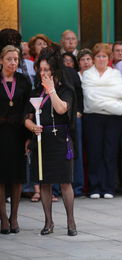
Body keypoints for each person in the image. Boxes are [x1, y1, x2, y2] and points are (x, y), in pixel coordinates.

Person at [24, 46, 78, 236]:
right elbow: (27, 116)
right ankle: (48, 222)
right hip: (42, 140)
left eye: (47, 70)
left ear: (55, 70)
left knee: (65, 182)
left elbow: (62, 109)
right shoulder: (35, 90)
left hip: (61, 140)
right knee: (44, 181)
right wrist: (31, 126)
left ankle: (71, 222)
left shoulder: (65, 89)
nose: (43, 73)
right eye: (41, 69)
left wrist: (52, 90)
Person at [82, 43, 122, 199]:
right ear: (94, 58)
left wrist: (100, 93)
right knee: (94, 152)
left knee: (110, 152)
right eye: (98, 56)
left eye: (104, 56)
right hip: (93, 118)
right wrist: (111, 99)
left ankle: (109, 187)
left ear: (109, 59)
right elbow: (90, 98)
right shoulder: (88, 74)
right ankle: (95, 187)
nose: (101, 59)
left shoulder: (115, 74)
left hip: (113, 119)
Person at [0, 45, 31, 234]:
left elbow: (28, 109)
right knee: (1, 177)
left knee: (17, 177)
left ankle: (14, 217)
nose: (13, 62)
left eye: (16, 59)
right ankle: (3, 218)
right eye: (9, 59)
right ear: (1, 60)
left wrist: (28, 137)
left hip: (18, 133)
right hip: (0, 133)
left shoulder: (23, 81)